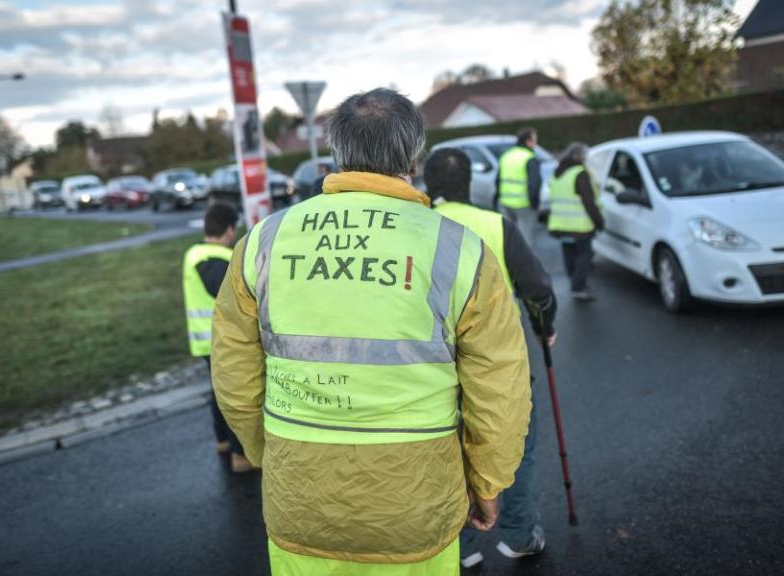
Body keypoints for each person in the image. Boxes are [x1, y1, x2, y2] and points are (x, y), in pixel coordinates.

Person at [212, 88, 531, 575]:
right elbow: (500, 389)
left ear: (338, 153)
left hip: (300, 503)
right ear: (413, 154)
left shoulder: (263, 242)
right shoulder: (458, 247)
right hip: (416, 509)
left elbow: (234, 376)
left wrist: (270, 453)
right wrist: (488, 483)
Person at [425, 148, 556, 568]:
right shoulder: (497, 225)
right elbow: (537, 288)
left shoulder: (417, 227)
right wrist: (544, 327)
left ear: (428, 184)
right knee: (515, 448)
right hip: (498, 364)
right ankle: (519, 535)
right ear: (469, 184)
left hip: (435, 365)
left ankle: (460, 547)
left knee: (449, 453)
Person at [181, 203, 251, 473]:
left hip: (205, 339)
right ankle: (240, 455)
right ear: (230, 229)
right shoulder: (212, 258)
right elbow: (224, 291)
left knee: (218, 391)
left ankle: (222, 441)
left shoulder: (194, 253)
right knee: (233, 395)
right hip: (220, 340)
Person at [544, 142, 604, 301]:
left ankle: (575, 282)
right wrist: (599, 222)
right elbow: (589, 202)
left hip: (560, 224)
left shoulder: (557, 173)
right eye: (585, 155)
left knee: (569, 253)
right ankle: (578, 287)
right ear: (579, 156)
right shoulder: (580, 173)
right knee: (585, 255)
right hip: (580, 226)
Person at [495, 127, 542, 245]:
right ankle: (526, 263)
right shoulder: (529, 158)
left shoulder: (506, 156)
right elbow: (534, 185)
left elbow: (497, 181)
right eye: (535, 140)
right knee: (526, 241)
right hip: (524, 205)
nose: (536, 143)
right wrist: (535, 205)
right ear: (528, 141)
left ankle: (509, 263)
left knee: (508, 239)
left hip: (505, 203)